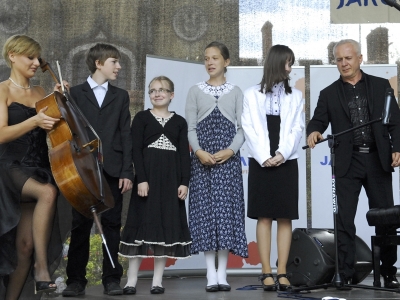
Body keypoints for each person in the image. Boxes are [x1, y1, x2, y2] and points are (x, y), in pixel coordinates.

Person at [307, 39, 400, 289]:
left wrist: (397, 147)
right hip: (347, 163)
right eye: (339, 59)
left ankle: (389, 272)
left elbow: (395, 122)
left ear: (360, 58)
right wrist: (313, 132)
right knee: (344, 219)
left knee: (386, 218)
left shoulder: (382, 86)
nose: (344, 63)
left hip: (378, 159)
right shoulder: (328, 93)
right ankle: (345, 273)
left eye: (348, 58)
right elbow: (317, 122)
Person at [62, 43, 133, 297]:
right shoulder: (75, 93)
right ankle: (75, 281)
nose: (119, 66)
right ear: (98, 64)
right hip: (83, 168)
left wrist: (127, 171)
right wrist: (62, 97)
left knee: (113, 224)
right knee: (80, 224)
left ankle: (112, 279)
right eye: (114, 61)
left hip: (113, 168)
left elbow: (125, 134)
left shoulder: (121, 96)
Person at [0, 35, 62, 300]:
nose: (37, 62)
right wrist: (35, 120)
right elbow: (1, 134)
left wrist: (62, 102)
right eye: (30, 57)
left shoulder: (40, 93)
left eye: (38, 58)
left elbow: (58, 131)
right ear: (12, 55)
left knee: (24, 246)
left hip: (38, 167)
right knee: (47, 193)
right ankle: (42, 270)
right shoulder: (2, 90)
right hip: (10, 167)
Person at [119, 76, 191, 295]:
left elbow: (184, 157)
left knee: (164, 231)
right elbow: (136, 151)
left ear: (171, 95)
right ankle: (131, 280)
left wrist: (184, 183)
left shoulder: (179, 122)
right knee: (141, 225)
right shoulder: (141, 118)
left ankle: (157, 281)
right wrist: (141, 178)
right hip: (147, 181)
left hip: (170, 182)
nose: (157, 94)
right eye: (152, 91)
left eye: (162, 90)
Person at [185, 41, 248, 292]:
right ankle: (210, 273)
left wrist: (231, 150)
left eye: (215, 58)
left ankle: (223, 272)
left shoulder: (235, 91)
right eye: (206, 58)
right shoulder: (195, 91)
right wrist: (199, 152)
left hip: (228, 162)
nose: (209, 62)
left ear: (226, 62)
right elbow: (190, 128)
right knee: (205, 216)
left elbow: (242, 129)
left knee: (226, 216)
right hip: (202, 162)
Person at [241, 44, 304, 291]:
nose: (290, 68)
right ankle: (266, 271)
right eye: (288, 63)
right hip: (260, 160)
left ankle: (283, 271)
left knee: (285, 215)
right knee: (264, 215)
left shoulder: (296, 96)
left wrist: (281, 154)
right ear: (277, 63)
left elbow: (297, 128)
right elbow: (249, 127)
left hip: (287, 159)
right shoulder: (251, 94)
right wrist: (264, 156)